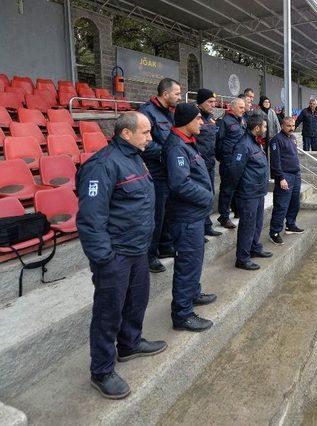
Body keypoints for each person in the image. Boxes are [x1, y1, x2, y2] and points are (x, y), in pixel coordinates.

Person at [77, 112, 167, 399]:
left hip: (138, 249)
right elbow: (91, 219)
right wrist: (105, 258)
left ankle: (129, 344)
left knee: (136, 301)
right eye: (145, 133)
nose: (150, 138)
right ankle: (101, 371)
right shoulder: (102, 165)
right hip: (115, 254)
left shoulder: (134, 156)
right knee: (108, 313)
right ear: (126, 134)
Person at [164, 103, 216, 332]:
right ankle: (182, 315)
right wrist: (207, 197)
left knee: (194, 262)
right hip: (185, 218)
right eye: (198, 119)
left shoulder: (186, 142)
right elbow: (180, 184)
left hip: (193, 216)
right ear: (186, 121)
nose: (202, 122)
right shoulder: (176, 147)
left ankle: (193, 294)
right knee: (187, 265)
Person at [138, 78, 181, 274]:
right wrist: (167, 152)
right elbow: (145, 143)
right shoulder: (146, 113)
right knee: (156, 214)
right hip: (155, 172)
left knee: (168, 211)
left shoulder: (171, 112)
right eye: (177, 94)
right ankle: (150, 255)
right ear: (165, 95)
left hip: (169, 171)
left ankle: (165, 245)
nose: (179, 97)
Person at [229, 115, 272, 270]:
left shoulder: (255, 142)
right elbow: (235, 171)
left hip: (258, 191)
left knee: (257, 223)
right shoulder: (244, 145)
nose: (266, 130)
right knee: (247, 225)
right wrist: (236, 194)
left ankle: (254, 248)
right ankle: (242, 258)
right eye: (265, 127)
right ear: (257, 128)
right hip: (248, 193)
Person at [269, 117, 304, 245]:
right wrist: (281, 178)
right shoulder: (276, 140)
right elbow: (275, 161)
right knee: (281, 205)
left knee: (295, 203)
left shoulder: (293, 138)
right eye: (288, 126)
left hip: (296, 175)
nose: (292, 128)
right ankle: (274, 232)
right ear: (282, 126)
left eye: (293, 125)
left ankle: (290, 224)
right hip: (285, 176)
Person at [195, 88, 223, 237]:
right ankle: (199, 229)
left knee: (209, 194)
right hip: (198, 164)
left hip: (210, 163)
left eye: (214, 102)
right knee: (200, 196)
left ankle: (207, 225)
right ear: (201, 102)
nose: (213, 104)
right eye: (210, 102)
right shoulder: (195, 117)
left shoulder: (211, 118)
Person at [215, 97, 246, 229]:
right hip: (228, 161)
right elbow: (217, 142)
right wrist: (223, 158)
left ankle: (237, 210)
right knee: (227, 189)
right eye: (241, 107)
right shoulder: (224, 121)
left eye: (244, 107)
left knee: (238, 187)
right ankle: (224, 216)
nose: (243, 110)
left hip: (239, 160)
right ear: (232, 107)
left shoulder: (241, 120)